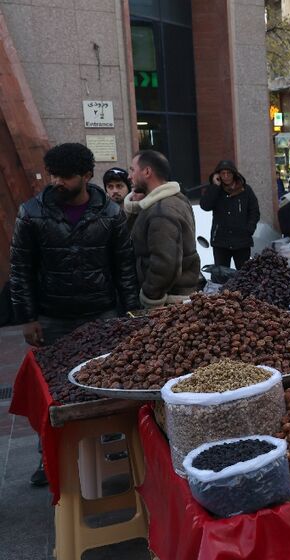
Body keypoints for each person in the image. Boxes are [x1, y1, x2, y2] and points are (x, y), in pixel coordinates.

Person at [10, 143, 139, 486]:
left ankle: (112, 448)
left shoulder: (110, 213)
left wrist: (130, 314)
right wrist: (27, 316)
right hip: (52, 317)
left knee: (109, 386)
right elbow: (20, 268)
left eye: (65, 176)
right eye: (53, 174)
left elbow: (124, 265)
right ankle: (47, 459)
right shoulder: (31, 213)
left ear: (85, 175)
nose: (56, 182)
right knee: (50, 392)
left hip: (102, 313)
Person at [128, 149, 201, 308]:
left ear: (147, 172)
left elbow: (164, 263)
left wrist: (150, 296)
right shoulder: (174, 199)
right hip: (177, 295)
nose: (129, 176)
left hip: (168, 300)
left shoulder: (161, 211)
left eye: (132, 170)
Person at [200, 160, 260, 269]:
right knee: (222, 276)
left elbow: (254, 211)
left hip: (242, 241)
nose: (226, 176)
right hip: (221, 241)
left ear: (234, 174)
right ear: (218, 175)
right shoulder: (215, 190)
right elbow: (205, 206)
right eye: (223, 173)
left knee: (245, 276)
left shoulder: (246, 190)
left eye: (229, 173)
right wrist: (215, 187)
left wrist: (249, 229)